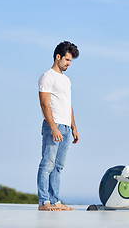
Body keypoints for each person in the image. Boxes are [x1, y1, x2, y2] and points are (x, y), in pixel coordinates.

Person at [37, 41, 80, 211]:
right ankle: (44, 202)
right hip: (52, 127)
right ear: (58, 57)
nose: (69, 64)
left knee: (58, 167)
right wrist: (53, 127)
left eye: (70, 61)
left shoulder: (66, 80)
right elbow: (44, 105)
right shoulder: (47, 77)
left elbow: (68, 105)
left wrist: (74, 127)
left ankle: (55, 201)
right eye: (67, 60)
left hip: (66, 128)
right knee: (47, 164)